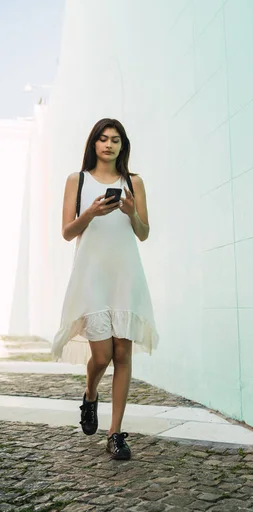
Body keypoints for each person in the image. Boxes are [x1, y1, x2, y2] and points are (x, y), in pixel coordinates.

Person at [51, 118, 158, 460]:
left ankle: (115, 435)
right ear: (93, 144)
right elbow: (68, 232)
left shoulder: (134, 182)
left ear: (122, 146)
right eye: (102, 139)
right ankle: (90, 394)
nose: (109, 145)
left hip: (125, 276)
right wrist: (93, 212)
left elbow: (143, 232)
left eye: (115, 140)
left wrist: (130, 211)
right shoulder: (77, 180)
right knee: (102, 355)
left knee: (123, 354)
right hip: (91, 277)